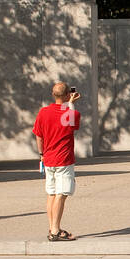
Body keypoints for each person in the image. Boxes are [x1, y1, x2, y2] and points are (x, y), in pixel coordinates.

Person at [33, 82, 81, 241]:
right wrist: (71, 104)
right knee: (61, 193)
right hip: (64, 159)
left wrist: (42, 154)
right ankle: (55, 229)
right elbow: (71, 123)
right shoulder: (70, 113)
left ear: (53, 95)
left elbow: (38, 135)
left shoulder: (43, 112)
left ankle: (52, 226)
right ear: (68, 95)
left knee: (51, 193)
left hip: (48, 158)